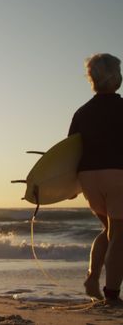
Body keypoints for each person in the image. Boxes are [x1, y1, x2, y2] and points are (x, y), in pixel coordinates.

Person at [68, 53, 123, 302]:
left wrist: (71, 186)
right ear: (114, 78)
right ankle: (111, 294)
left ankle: (92, 279)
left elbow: (70, 151)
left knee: (110, 231)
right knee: (120, 235)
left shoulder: (82, 112)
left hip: (88, 179)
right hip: (117, 176)